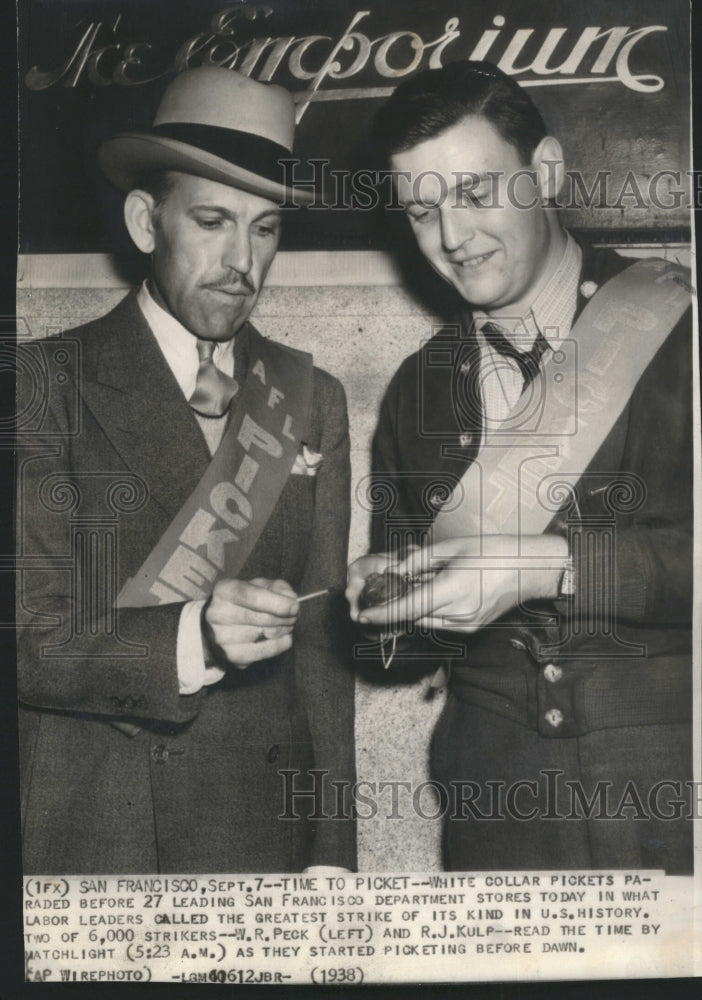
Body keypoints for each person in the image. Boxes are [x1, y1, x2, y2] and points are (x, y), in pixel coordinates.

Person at [347, 61, 693, 872]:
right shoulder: (415, 391)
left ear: (543, 172)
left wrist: (545, 566)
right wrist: (381, 601)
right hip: (495, 808)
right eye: (421, 210)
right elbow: (401, 654)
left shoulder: (682, 332)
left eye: (473, 193)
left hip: (672, 793)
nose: (452, 238)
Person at [17, 67, 356, 874]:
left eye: (266, 228)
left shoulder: (310, 398)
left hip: (261, 835)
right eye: (212, 220)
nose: (242, 260)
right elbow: (27, 637)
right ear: (145, 221)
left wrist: (332, 856)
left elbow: (320, 658)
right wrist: (191, 634)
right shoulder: (39, 386)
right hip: (98, 829)